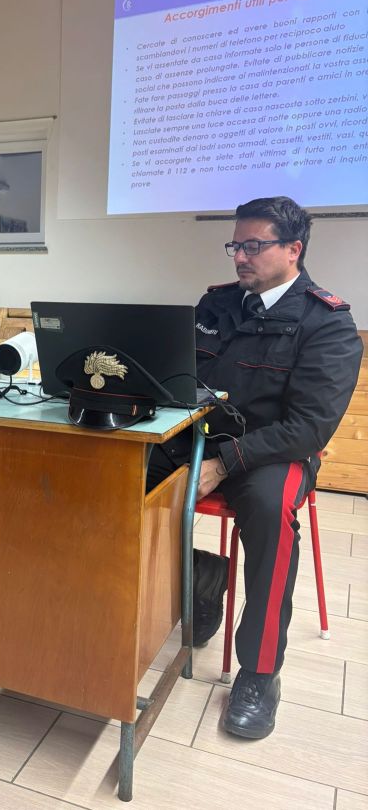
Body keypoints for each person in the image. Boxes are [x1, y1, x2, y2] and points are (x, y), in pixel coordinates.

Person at [147, 196, 362, 740]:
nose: (240, 256)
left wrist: (224, 463)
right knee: (117, 475)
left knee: (269, 514)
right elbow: (178, 377)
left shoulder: (328, 323)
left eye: (253, 246)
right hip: (198, 438)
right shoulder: (217, 304)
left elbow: (309, 428)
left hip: (272, 452)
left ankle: (260, 674)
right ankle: (198, 576)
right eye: (235, 245)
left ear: (293, 249)